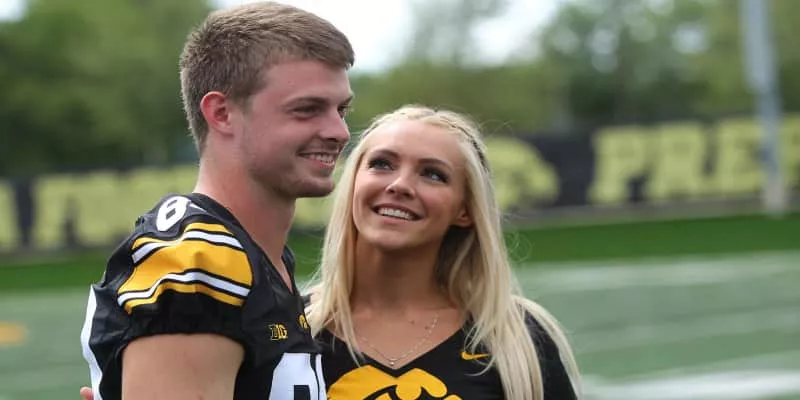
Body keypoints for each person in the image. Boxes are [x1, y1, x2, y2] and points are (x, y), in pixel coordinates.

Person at [78, 1, 355, 399]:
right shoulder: (200, 259)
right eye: (307, 109)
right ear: (222, 113)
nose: (339, 131)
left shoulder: (256, 252)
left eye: (341, 109)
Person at [304, 105, 582, 399]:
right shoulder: (290, 327)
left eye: (433, 175)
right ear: (354, 182)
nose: (400, 185)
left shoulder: (517, 337)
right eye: (382, 164)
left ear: (465, 210)